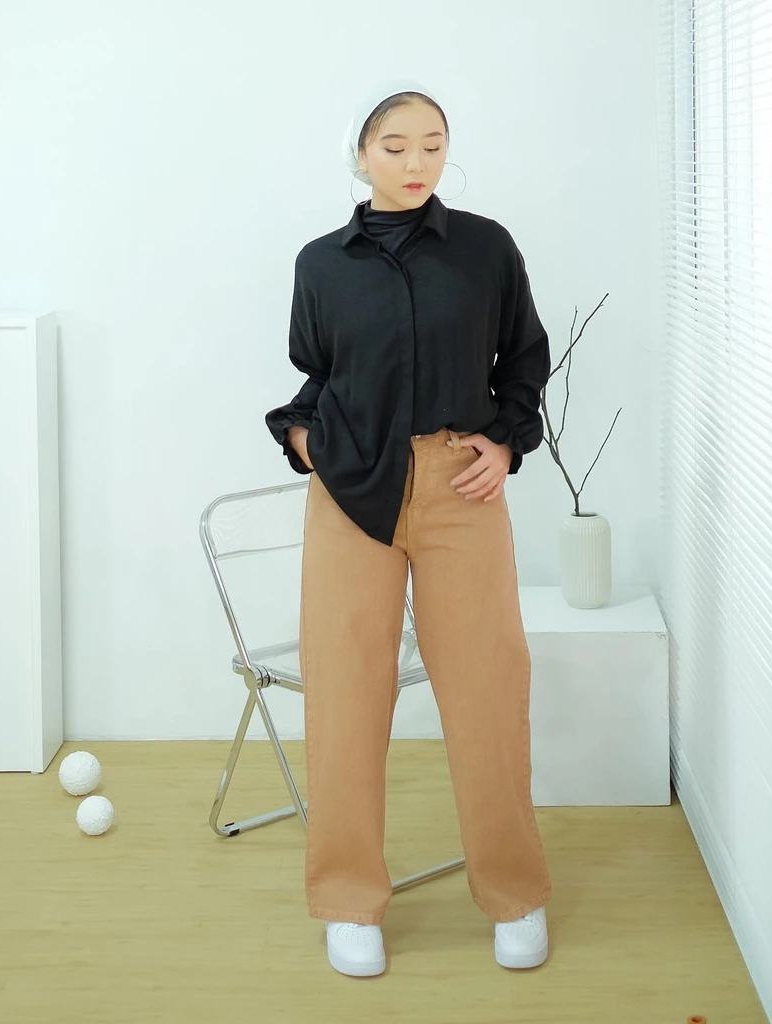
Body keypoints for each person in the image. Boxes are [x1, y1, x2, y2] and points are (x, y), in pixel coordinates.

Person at [264, 79, 553, 979]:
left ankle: (515, 893)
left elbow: (524, 359)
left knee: (487, 688)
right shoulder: (321, 264)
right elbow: (320, 372)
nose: (416, 161)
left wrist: (506, 442)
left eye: (433, 144)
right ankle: (348, 900)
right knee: (346, 693)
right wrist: (305, 440)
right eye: (395, 146)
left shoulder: (485, 249)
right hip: (352, 490)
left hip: (460, 486)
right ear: (361, 156)